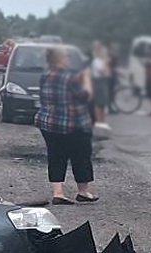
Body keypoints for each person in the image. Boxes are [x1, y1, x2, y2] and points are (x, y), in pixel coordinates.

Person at [36, 47, 98, 205]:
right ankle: (83, 191)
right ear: (59, 59)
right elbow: (85, 97)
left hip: (49, 123)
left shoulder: (45, 76)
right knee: (81, 156)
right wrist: (87, 81)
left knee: (56, 156)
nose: (68, 58)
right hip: (73, 123)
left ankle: (58, 193)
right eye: (66, 56)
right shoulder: (71, 78)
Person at [90, 41, 112, 135]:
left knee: (103, 103)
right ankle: (99, 122)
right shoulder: (97, 61)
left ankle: (103, 121)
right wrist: (106, 63)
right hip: (98, 82)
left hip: (103, 82)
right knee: (99, 103)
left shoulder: (101, 61)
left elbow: (108, 73)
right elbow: (102, 71)